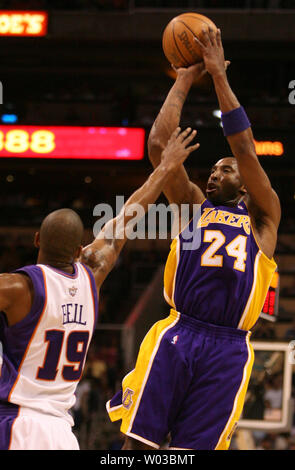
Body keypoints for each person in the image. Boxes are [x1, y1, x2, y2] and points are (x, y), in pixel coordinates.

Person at [106, 28, 281, 450]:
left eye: (225, 170)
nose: (214, 173)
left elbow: (243, 147)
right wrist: (184, 79)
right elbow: (159, 146)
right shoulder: (192, 207)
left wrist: (219, 77)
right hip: (179, 332)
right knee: (138, 446)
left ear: (245, 186)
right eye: (213, 170)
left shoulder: (263, 216)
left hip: (229, 350)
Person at [0, 126, 199, 450]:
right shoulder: (92, 274)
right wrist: (166, 167)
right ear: (80, 250)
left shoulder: (16, 287)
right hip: (62, 433)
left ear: (36, 240)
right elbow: (126, 217)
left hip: (16, 424)